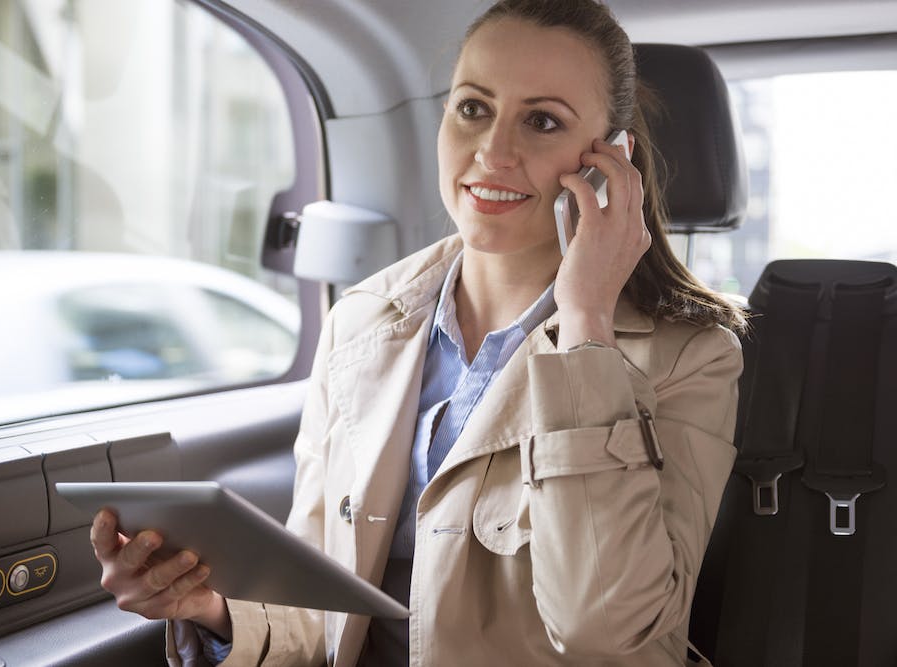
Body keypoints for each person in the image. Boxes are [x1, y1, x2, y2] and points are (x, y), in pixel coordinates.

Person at [89, 0, 747, 664]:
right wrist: (212, 608)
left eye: (542, 121)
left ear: (612, 161)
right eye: (472, 108)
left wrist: (584, 328)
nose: (493, 150)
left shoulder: (689, 360)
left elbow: (607, 633)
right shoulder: (359, 322)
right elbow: (320, 607)